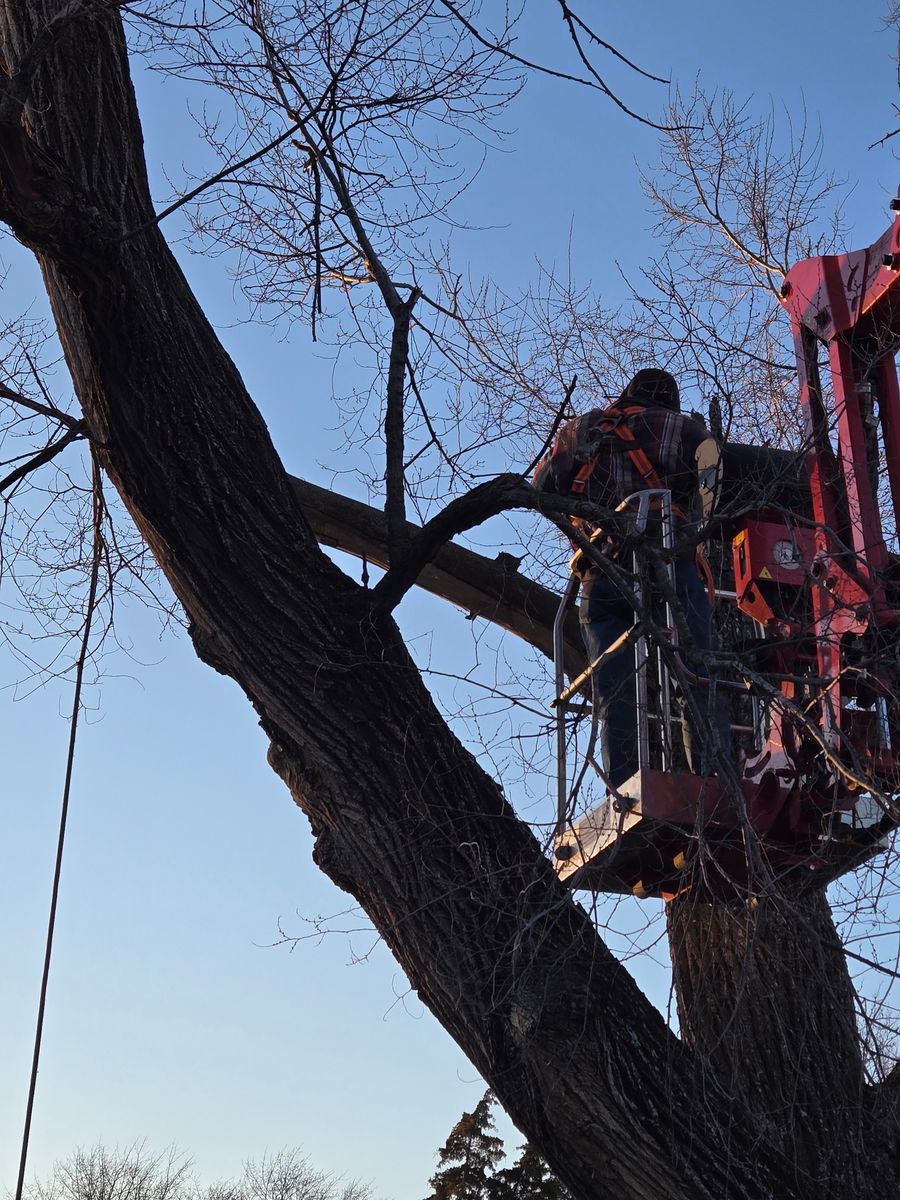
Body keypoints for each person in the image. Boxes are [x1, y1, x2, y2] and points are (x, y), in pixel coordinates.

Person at [534, 368, 730, 789]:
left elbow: (540, 488)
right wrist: (700, 522)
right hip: (663, 563)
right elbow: (708, 455)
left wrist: (582, 530)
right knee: (694, 667)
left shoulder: (578, 432)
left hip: (598, 577)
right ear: (666, 399)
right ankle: (712, 778)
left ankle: (623, 789)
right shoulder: (668, 423)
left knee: (614, 689)